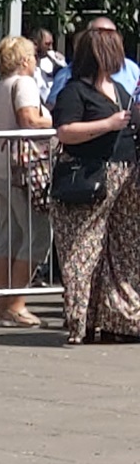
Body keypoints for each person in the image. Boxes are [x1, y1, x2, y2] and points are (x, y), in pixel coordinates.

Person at [48, 27, 140, 344]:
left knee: (124, 249)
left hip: (125, 173)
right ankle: (81, 321)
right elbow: (66, 131)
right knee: (83, 249)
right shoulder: (74, 91)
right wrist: (107, 125)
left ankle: (122, 319)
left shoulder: (119, 89)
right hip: (90, 175)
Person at [0, 36, 53, 327]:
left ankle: (3, 307)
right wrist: (54, 122)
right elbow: (28, 119)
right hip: (21, 170)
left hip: (2, 167)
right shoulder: (24, 84)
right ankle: (16, 304)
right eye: (33, 56)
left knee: (9, 235)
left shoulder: (0, 87)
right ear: (25, 59)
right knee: (38, 234)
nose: (36, 61)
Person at [46, 16, 140, 105]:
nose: (106, 41)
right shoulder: (68, 73)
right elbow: (54, 108)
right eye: (99, 35)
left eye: (111, 36)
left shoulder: (131, 69)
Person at [31, 28, 67, 104]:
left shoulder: (53, 61)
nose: (50, 48)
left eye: (51, 44)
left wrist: (62, 63)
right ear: (35, 43)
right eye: (47, 44)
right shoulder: (27, 64)